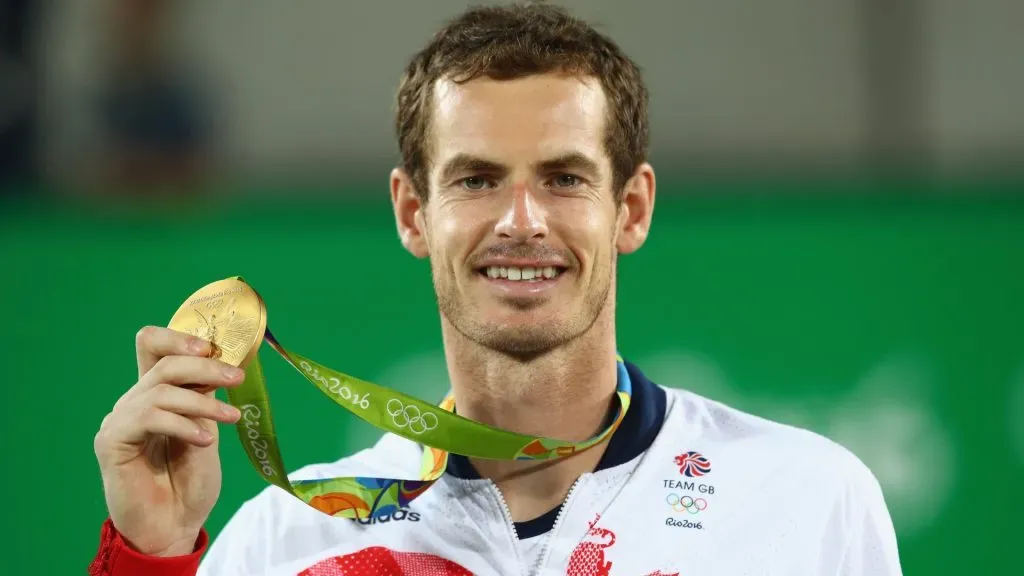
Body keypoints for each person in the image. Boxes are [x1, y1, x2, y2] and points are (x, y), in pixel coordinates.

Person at [89, 3, 903, 575]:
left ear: (631, 208)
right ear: (413, 212)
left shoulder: (805, 502)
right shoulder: (286, 545)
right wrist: (149, 556)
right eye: (476, 179)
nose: (521, 220)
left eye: (563, 178)